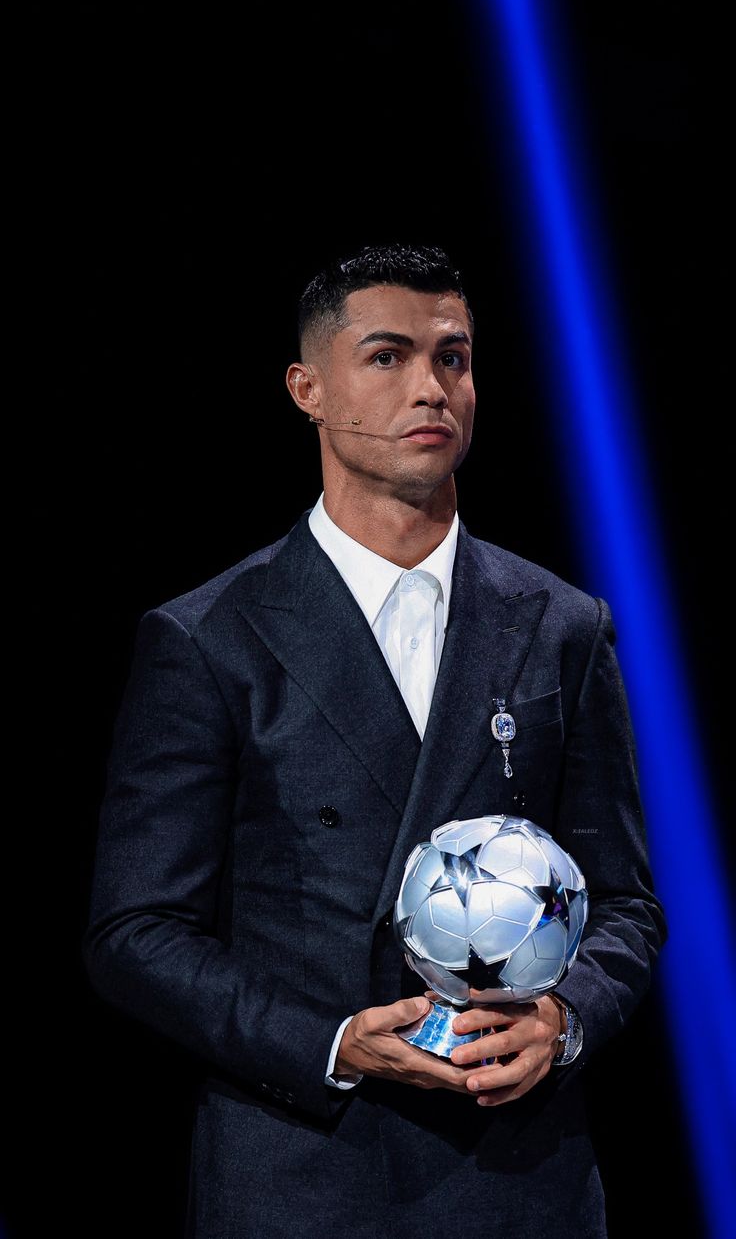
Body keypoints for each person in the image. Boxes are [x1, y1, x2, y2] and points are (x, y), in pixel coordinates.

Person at [82, 241, 666, 1238]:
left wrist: (562, 1020)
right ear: (306, 388)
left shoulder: (562, 622)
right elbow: (133, 934)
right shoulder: (209, 636)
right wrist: (335, 1040)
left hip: (522, 1179)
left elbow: (624, 903)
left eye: (454, 356)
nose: (431, 387)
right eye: (389, 356)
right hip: (304, 1173)